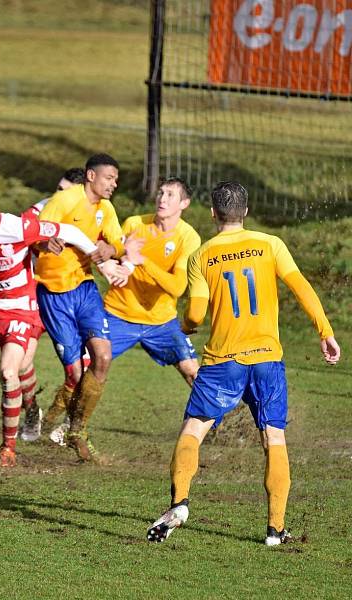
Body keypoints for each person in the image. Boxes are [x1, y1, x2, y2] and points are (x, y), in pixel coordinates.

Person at [147, 181, 341, 546]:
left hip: (223, 360)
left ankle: (180, 503)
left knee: (193, 430)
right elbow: (300, 286)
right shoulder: (270, 244)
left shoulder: (202, 256)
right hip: (267, 358)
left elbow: (196, 313)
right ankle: (275, 530)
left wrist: (187, 326)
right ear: (246, 212)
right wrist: (324, 331)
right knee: (274, 437)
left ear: (212, 214)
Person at [0, 179, 125, 466]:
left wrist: (99, 261)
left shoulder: (17, 227)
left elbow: (70, 230)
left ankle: (8, 448)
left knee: (9, 372)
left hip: (18, 311)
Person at [35, 153, 127, 461]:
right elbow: (35, 232)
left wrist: (110, 248)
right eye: (109, 178)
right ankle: (47, 423)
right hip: (53, 293)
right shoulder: (64, 201)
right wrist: (42, 243)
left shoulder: (107, 208)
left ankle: (77, 430)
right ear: (91, 176)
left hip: (85, 288)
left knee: (102, 357)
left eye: (115, 179)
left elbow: (119, 243)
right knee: (74, 373)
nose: (114, 184)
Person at [103, 177, 201, 383]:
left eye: (170, 195)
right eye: (160, 193)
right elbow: (112, 255)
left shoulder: (188, 237)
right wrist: (112, 264)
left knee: (193, 371)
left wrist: (142, 261)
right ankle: (60, 416)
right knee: (87, 365)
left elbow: (177, 287)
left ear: (184, 203)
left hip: (161, 321)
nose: (162, 199)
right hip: (119, 314)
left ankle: (216, 416)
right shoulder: (134, 223)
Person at [22, 167, 87, 443]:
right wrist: (41, 242)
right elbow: (20, 238)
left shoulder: (89, 217)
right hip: (34, 297)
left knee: (79, 371)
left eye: (64, 191)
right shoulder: (36, 213)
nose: (56, 195)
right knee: (20, 364)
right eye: (57, 188)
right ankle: (30, 411)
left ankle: (58, 422)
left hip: (71, 300)